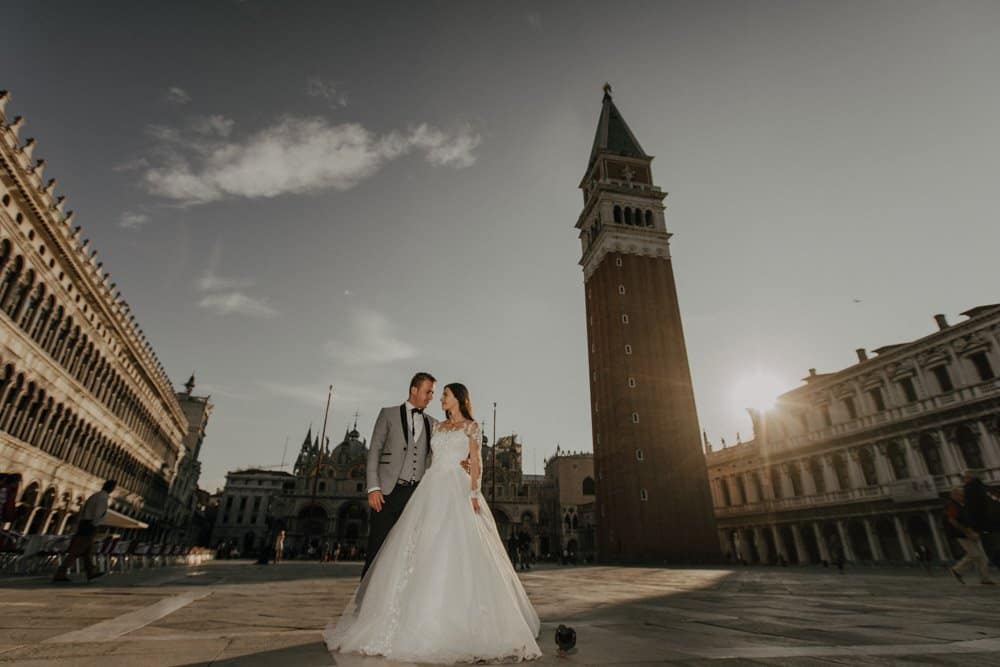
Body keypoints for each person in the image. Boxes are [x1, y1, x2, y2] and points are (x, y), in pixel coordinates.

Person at [326, 382, 541, 663]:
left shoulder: (472, 428)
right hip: (431, 487)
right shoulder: (437, 427)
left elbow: (476, 462)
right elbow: (422, 455)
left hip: (458, 489)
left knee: (457, 547)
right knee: (420, 547)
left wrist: (474, 492)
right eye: (439, 395)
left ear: (459, 399)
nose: (440, 399)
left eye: (445, 396)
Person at [360, 372, 438, 579]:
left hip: (415, 495)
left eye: (433, 393)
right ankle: (363, 601)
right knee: (377, 546)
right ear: (414, 389)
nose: (431, 397)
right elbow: (374, 450)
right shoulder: (388, 414)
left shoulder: (433, 423)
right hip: (385, 492)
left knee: (409, 549)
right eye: (428, 391)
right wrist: (373, 487)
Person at [53, 480, 116, 583]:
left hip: (85, 524)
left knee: (87, 552)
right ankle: (60, 573)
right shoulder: (102, 498)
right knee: (76, 551)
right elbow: (98, 514)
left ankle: (91, 572)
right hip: (89, 526)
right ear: (111, 488)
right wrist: (95, 526)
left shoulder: (95, 495)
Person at [946, 486, 995, 585]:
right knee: (975, 554)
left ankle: (985, 579)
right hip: (961, 534)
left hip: (971, 532)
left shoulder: (963, 504)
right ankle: (957, 570)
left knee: (982, 557)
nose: (963, 496)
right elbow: (952, 520)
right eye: (961, 495)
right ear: (954, 495)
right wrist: (967, 532)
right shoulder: (951, 505)